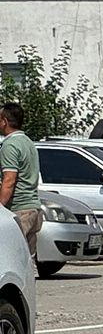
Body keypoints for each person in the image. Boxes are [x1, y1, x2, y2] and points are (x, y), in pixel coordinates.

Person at [0, 102, 39, 257]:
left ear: (4, 121)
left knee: (11, 258)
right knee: (26, 261)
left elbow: (9, 180)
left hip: (18, 210)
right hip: (33, 208)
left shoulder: (10, 145)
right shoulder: (28, 142)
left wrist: (0, 208)